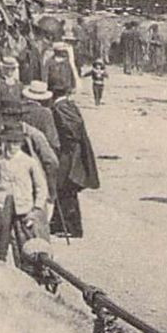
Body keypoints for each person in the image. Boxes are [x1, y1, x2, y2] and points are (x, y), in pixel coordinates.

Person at [0, 123, 49, 262]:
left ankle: (28, 270)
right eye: (9, 142)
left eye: (16, 143)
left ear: (21, 144)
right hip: (3, 204)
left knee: (26, 241)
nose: (12, 146)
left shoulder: (29, 162)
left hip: (23, 206)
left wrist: (36, 209)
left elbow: (41, 187)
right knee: (1, 241)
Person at [48, 85, 99, 238]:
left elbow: (72, 129)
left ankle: (72, 227)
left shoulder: (60, 107)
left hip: (69, 153)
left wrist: (62, 142)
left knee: (65, 187)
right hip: (73, 152)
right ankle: (60, 223)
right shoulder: (68, 105)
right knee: (65, 188)